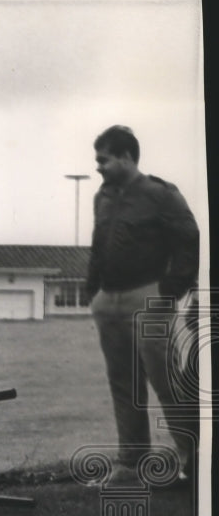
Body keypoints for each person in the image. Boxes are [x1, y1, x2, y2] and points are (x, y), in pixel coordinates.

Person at [86, 125, 199, 485]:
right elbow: (98, 245)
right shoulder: (101, 197)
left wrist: (169, 289)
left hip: (149, 297)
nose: (98, 167)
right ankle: (132, 465)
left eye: (103, 159)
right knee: (123, 383)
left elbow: (189, 239)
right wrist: (94, 292)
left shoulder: (161, 194)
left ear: (126, 156)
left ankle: (195, 460)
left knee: (166, 381)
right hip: (110, 301)